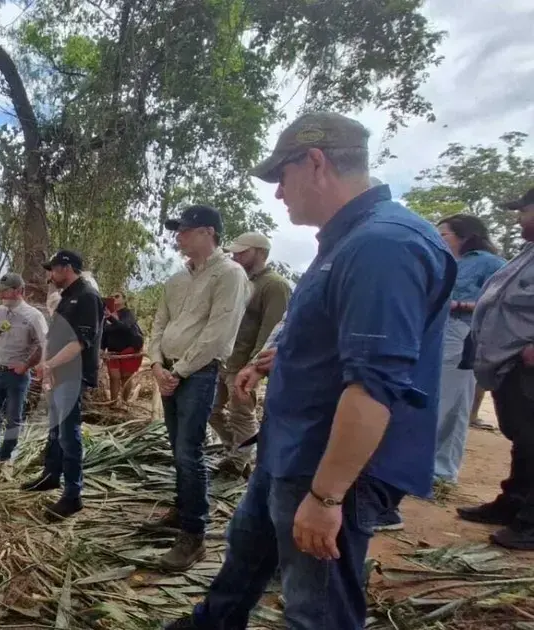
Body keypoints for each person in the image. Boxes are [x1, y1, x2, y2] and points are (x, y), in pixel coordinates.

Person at [167, 111, 454, 630]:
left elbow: (373, 388)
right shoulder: (347, 242)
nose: (279, 194)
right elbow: (339, 341)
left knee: (315, 606)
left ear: (315, 162)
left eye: (282, 177)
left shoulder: (383, 246)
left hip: (327, 466)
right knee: (246, 557)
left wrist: (326, 497)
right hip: (290, 448)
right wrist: (283, 357)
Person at [146, 204, 251, 572]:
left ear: (208, 232)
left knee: (189, 451)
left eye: (185, 230)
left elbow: (218, 332)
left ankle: (194, 535)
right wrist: (158, 364)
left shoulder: (229, 274)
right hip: (170, 372)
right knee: (178, 447)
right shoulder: (177, 280)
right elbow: (159, 323)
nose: (179, 237)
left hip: (199, 373)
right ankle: (183, 506)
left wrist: (182, 370)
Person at [457, 187, 534, 550]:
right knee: (523, 438)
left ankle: (531, 523)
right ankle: (514, 503)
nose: (518, 217)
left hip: (527, 360)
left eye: (524, 209)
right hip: (510, 361)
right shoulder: (528, 252)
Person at [22, 249, 104, 521]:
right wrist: (48, 367)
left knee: (69, 434)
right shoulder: (67, 296)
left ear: (67, 268)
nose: (50, 275)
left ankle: (73, 495)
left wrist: (49, 365)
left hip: (71, 374)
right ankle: (50, 475)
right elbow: (56, 337)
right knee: (55, 430)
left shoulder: (88, 297)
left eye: (54, 269)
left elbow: (80, 343)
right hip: (58, 374)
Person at [208, 232, 292, 478]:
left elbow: (273, 331)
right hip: (225, 359)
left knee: (241, 414)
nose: (236, 255)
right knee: (211, 410)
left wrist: (255, 366)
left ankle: (238, 462)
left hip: (244, 364)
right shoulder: (240, 281)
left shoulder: (275, 285)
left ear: (260, 252)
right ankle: (237, 451)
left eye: (242, 252)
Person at [431, 215, 505, 484]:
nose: (439, 239)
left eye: (444, 234)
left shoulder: (490, 263)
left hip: (462, 333)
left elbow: (498, 304)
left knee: (453, 401)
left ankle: (441, 471)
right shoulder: (446, 262)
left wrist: (459, 306)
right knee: (435, 398)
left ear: (465, 236)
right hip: (437, 332)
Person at [0, 273, 48, 474]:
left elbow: (44, 344)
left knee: (14, 418)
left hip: (17, 377)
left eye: (6, 290)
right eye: (0, 290)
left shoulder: (34, 316)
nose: (1, 294)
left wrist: (27, 365)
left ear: (19, 291)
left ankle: (5, 459)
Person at [101, 293, 144, 406]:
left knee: (125, 378)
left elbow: (125, 327)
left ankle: (124, 403)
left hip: (129, 350)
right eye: (112, 297)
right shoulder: (106, 316)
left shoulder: (128, 313)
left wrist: (110, 317)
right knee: (114, 377)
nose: (113, 298)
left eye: (117, 296)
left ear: (124, 300)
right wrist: (101, 348)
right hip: (112, 351)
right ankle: (113, 403)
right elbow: (104, 333)